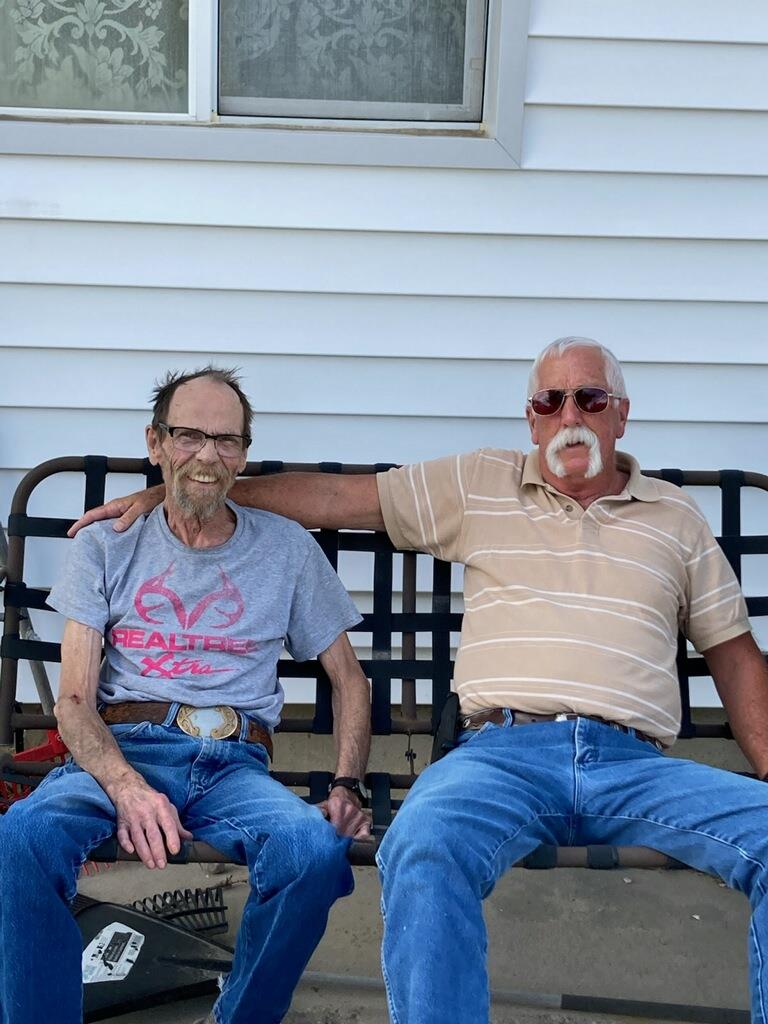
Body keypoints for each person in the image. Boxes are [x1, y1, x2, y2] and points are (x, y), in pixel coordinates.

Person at [70, 339, 768, 1024]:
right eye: (549, 401)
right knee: (423, 843)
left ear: (621, 414)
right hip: (502, 757)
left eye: (589, 398)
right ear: (530, 419)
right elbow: (333, 497)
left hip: (634, 764)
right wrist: (179, 487)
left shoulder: (675, 518)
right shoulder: (481, 484)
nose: (568, 415)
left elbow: (735, 656)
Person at [0, 366, 371, 1024]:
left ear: (244, 455)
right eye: (189, 436)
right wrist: (126, 787)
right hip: (126, 748)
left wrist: (346, 784)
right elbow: (74, 702)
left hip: (234, 765)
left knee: (314, 853)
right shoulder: (105, 546)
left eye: (226, 440)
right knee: (23, 837)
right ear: (156, 442)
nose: (208, 455)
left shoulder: (286, 548)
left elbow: (350, 679)